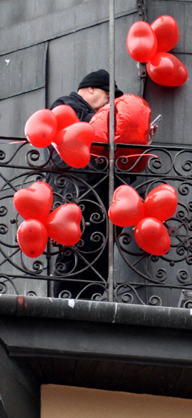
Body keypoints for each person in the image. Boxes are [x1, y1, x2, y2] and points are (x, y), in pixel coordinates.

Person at [49, 70, 123, 299]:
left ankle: (91, 300)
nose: (110, 102)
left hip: (99, 196)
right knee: (73, 253)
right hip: (76, 193)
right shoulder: (66, 105)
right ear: (91, 88)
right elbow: (77, 136)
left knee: (98, 254)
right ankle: (62, 304)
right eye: (108, 95)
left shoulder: (101, 117)